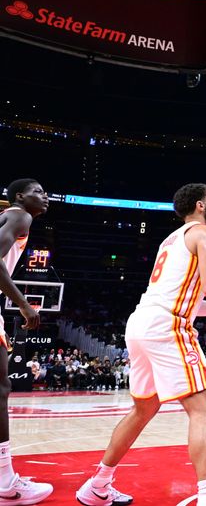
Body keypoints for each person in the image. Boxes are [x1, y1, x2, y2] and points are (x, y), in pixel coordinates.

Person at [76, 184, 206, 506]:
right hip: (166, 325)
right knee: (202, 408)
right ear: (200, 205)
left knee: (143, 409)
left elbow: (195, 299)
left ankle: (98, 484)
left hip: (141, 322)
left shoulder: (169, 241)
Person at [0, 178, 53, 503]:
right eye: (38, 191)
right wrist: (22, 302)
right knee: (1, 389)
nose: (44, 197)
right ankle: (6, 479)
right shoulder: (20, 215)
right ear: (19, 196)